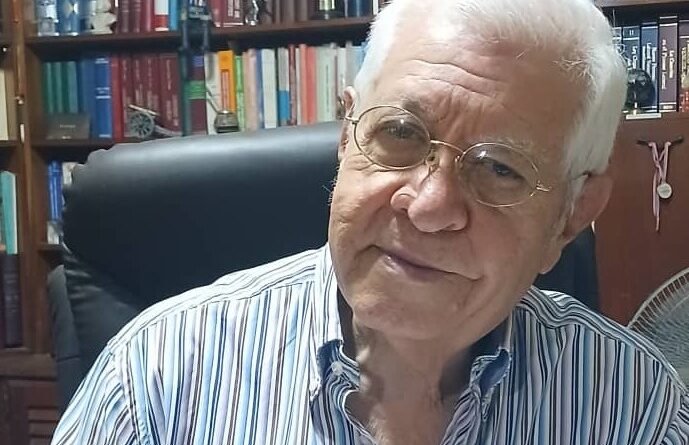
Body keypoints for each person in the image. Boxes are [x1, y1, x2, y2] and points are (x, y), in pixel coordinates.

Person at [51, 0, 689, 443]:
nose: (428, 205)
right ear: (346, 136)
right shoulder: (158, 378)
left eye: (500, 169)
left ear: (571, 218)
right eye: (401, 134)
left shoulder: (630, 405)